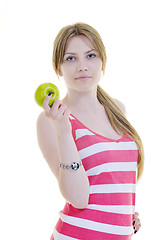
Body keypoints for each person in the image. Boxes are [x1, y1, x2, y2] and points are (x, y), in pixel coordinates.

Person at [36, 22, 144, 240]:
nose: (82, 66)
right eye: (71, 58)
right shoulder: (51, 120)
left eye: (91, 56)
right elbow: (79, 198)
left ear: (102, 61)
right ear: (58, 68)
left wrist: (123, 213)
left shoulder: (117, 109)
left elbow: (116, 179)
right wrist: (64, 129)